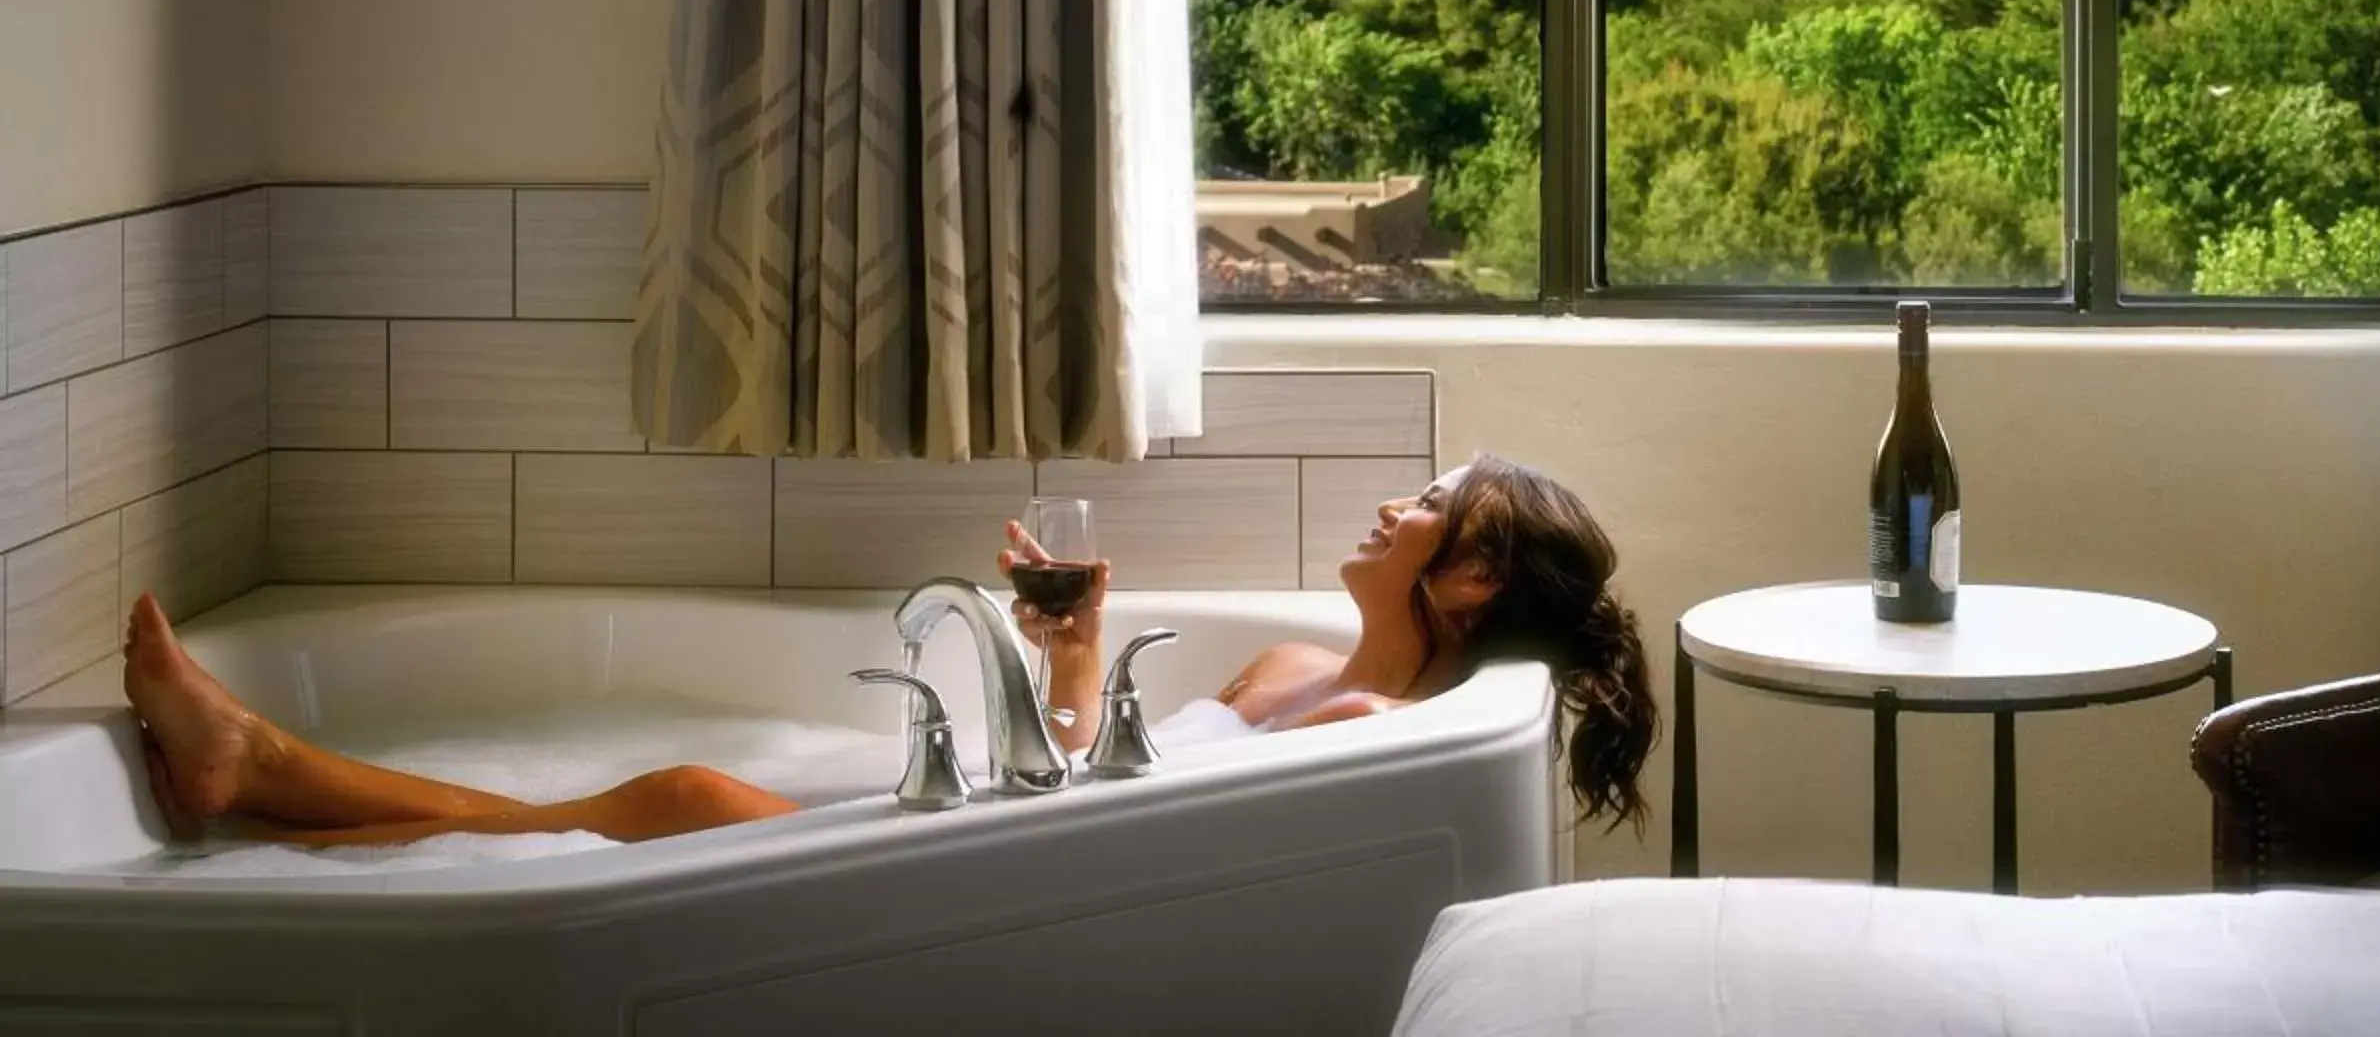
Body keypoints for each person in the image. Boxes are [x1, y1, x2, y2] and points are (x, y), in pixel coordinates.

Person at [124, 454, 1657, 849]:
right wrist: (1077, 648)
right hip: (1002, 844)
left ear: (1464, 583)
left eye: (1430, 509)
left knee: (676, 799)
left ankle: (265, 770)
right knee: (668, 802)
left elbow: (1117, 851)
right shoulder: (1284, 678)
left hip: (1003, 878)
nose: (1396, 505)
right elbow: (1087, 781)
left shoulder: (1362, 730)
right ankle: (267, 772)